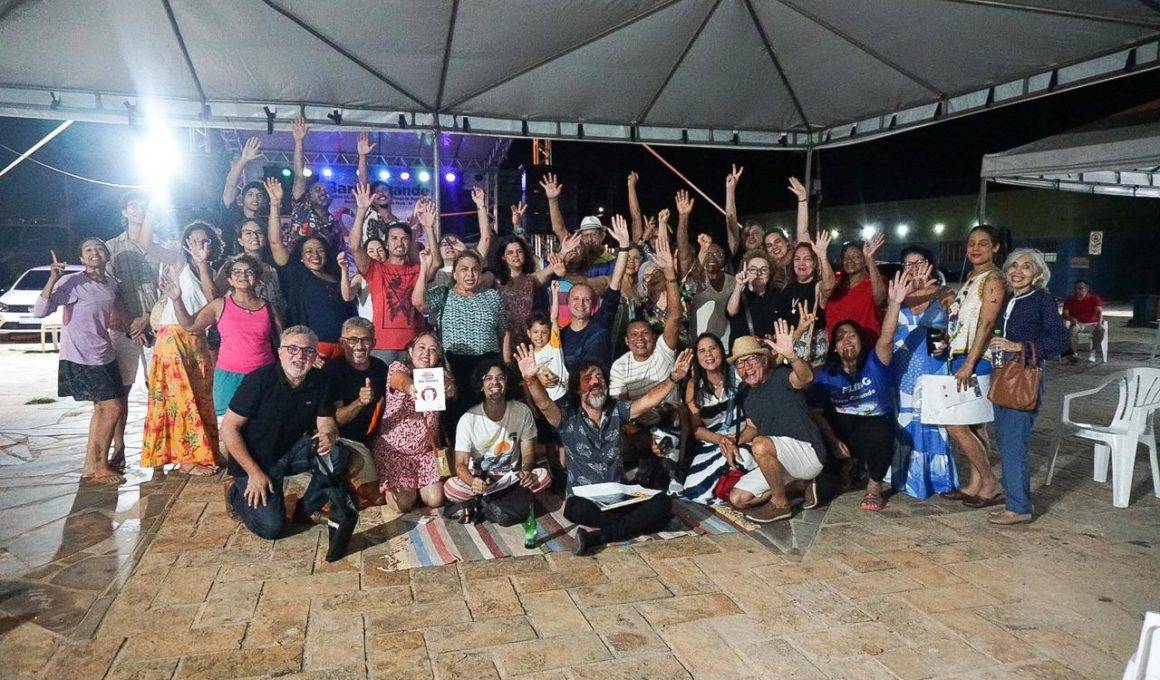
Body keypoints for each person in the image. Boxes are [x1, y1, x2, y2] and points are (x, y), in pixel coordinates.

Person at [516, 344, 692, 555]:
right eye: (587, 378)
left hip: (619, 495)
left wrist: (673, 378)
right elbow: (544, 405)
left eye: (599, 377)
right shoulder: (566, 415)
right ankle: (651, 523)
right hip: (584, 499)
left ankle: (596, 537)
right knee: (575, 510)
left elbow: (648, 401)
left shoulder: (617, 410)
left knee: (662, 501)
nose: (595, 381)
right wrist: (530, 379)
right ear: (577, 387)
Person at [220, 326, 356, 562]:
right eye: (292, 349)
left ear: (314, 355)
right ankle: (234, 493)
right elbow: (229, 428)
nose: (300, 356)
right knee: (272, 528)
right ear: (280, 352)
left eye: (307, 351)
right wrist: (253, 473)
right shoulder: (259, 380)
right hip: (256, 461)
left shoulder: (320, 381)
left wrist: (329, 435)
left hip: (291, 450)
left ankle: (304, 510)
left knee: (337, 454)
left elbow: (326, 422)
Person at [810, 272, 911, 512]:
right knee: (823, 488)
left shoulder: (875, 363)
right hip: (842, 432)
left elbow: (886, 338)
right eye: (840, 337)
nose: (846, 340)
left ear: (860, 341)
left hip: (874, 428)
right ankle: (847, 466)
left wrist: (895, 303)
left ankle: (874, 486)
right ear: (835, 347)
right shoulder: (826, 373)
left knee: (881, 430)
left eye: (852, 335)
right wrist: (833, 440)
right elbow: (816, 413)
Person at [986, 249, 1069, 525]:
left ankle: (1019, 507)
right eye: (1014, 266)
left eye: (1026, 267)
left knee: (1013, 443)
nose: (1018, 271)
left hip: (1024, 378)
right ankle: (1015, 500)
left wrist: (1019, 347)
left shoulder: (1041, 299)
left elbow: (1060, 339)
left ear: (1037, 274)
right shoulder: (1010, 298)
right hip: (1002, 374)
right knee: (1005, 441)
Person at [33, 243, 126, 484]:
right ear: (81, 258)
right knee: (113, 408)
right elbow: (40, 311)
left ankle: (90, 466)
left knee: (101, 410)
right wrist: (53, 279)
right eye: (88, 250)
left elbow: (114, 313)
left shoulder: (111, 284)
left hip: (105, 354)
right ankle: (102, 467)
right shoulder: (72, 282)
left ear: (107, 255)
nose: (95, 253)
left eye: (99, 249)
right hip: (81, 356)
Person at [140, 222, 221, 476]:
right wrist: (150, 208)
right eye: (193, 241)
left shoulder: (213, 271)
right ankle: (187, 459)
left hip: (197, 339)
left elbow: (214, 302)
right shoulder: (178, 261)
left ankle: (204, 452)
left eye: (204, 241)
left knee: (201, 396)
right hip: (173, 337)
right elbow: (145, 243)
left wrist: (203, 264)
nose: (199, 245)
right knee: (179, 397)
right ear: (186, 244)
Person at [728, 326, 826, 523]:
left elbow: (806, 377)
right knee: (738, 499)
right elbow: (752, 428)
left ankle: (780, 504)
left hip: (808, 452)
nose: (747, 367)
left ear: (764, 361)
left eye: (752, 359)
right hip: (780, 460)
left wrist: (791, 356)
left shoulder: (782, 375)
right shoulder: (747, 395)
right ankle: (802, 485)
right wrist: (732, 440)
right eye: (740, 363)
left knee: (760, 445)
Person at [166, 254, 280, 417]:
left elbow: (281, 341)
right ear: (230, 280)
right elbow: (190, 325)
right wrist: (177, 300)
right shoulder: (219, 305)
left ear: (256, 277)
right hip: (229, 377)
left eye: (248, 272)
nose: (243, 276)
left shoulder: (268, 307)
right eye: (237, 272)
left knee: (262, 426)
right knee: (229, 427)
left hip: (263, 375)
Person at [414, 249, 511, 429]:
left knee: (487, 419)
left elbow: (504, 331)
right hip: (455, 366)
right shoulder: (444, 294)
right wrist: (424, 268)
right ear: (455, 274)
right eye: (464, 269)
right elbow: (419, 303)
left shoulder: (491, 296)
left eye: (475, 270)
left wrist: (507, 364)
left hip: (487, 365)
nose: (470, 274)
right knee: (457, 418)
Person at [944, 224, 1005, 507]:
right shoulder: (971, 277)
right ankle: (975, 484)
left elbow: (987, 322)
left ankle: (990, 483)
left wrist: (970, 362)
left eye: (983, 243)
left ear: (995, 247)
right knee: (975, 424)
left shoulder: (994, 279)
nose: (976, 248)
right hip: (960, 355)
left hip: (976, 359)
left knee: (954, 423)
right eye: (971, 243)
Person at [891, 249, 958, 500]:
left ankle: (933, 479)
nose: (912, 267)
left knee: (930, 422)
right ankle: (900, 475)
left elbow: (951, 327)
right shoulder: (898, 293)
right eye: (907, 263)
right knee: (904, 420)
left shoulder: (943, 293)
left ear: (930, 264)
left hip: (932, 366)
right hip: (902, 366)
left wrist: (933, 295)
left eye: (918, 262)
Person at [348, 183, 440, 364]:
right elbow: (354, 247)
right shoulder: (374, 268)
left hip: (414, 346)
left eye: (404, 239)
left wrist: (429, 228)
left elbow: (436, 262)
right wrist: (361, 211)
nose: (399, 242)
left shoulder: (417, 269)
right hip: (382, 346)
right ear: (386, 244)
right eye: (394, 238)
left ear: (410, 243)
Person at [265, 178, 355, 362]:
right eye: (309, 251)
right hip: (310, 353)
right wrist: (275, 204)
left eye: (320, 250)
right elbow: (275, 243)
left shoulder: (337, 276)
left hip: (341, 352)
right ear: (301, 256)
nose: (315, 255)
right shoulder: (296, 274)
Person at [444, 361, 552, 509]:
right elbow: (460, 464)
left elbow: (528, 454)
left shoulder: (522, 411)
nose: (495, 382)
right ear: (481, 385)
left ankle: (487, 501)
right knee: (451, 488)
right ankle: (497, 498)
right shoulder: (468, 419)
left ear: (507, 384)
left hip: (510, 477)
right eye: (488, 378)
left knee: (543, 477)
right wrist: (472, 482)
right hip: (481, 479)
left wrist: (526, 471)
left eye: (500, 378)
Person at [104, 191, 160, 468]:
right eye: (133, 206)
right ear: (124, 211)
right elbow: (108, 291)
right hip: (122, 330)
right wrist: (131, 325)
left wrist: (148, 318)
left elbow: (168, 287)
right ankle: (119, 447)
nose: (139, 210)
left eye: (144, 205)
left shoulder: (160, 246)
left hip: (156, 327)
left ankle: (158, 448)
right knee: (121, 390)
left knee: (158, 389)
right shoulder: (110, 247)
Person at [373, 332, 452, 512]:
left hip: (426, 452)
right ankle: (403, 486)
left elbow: (451, 387)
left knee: (436, 500)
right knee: (403, 504)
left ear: (438, 356)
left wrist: (449, 387)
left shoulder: (440, 376)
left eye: (433, 350)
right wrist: (410, 387)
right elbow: (398, 380)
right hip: (395, 452)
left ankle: (416, 484)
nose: (426, 353)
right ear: (410, 351)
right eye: (421, 347)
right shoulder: (399, 367)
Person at [680, 333, 750, 504]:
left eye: (713, 348)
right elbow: (696, 429)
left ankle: (740, 489)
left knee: (742, 457)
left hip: (743, 437)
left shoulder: (737, 372)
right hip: (713, 443)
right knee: (693, 488)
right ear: (697, 357)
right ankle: (735, 489)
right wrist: (721, 440)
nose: (708, 354)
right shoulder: (694, 386)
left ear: (721, 350)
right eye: (702, 351)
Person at [559, 219, 631, 374]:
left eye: (586, 299)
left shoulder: (602, 322)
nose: (581, 304)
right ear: (568, 302)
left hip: (600, 386)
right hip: (572, 388)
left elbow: (616, 281)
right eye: (576, 299)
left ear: (593, 303)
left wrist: (624, 246)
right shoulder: (560, 335)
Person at [324, 317, 387, 447]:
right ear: (342, 343)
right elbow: (337, 420)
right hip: (338, 440)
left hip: (374, 439)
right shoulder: (332, 370)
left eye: (365, 340)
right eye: (353, 340)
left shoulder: (380, 367)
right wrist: (360, 402)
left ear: (374, 343)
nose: (359, 346)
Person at [286, 117, 344, 251]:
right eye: (318, 190)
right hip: (297, 264)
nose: (323, 192)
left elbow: (337, 253)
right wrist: (299, 141)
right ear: (309, 195)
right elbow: (299, 175)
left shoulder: (334, 224)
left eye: (327, 190)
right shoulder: (301, 209)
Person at [213, 217, 285, 319]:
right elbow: (214, 297)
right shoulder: (231, 266)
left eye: (258, 232)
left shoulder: (273, 268)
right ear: (240, 241)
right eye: (248, 233)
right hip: (242, 323)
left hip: (272, 323)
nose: (254, 236)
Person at [784, 232, 835, 364]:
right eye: (797, 259)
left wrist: (822, 256)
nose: (801, 263)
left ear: (815, 263)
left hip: (814, 354)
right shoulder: (787, 288)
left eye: (807, 259)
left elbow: (829, 287)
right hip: (790, 352)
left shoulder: (817, 287)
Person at [826, 235, 886, 342]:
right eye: (846, 257)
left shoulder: (874, 282)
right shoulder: (835, 284)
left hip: (866, 346)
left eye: (856, 256)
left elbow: (880, 299)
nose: (850, 260)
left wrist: (870, 259)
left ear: (864, 260)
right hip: (838, 348)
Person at [220, 137, 268, 254]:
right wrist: (244, 159)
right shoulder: (232, 213)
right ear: (242, 198)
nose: (255, 198)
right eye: (250, 195)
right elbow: (231, 184)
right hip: (230, 261)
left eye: (259, 195)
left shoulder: (265, 222)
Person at [354, 132, 403, 244]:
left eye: (384, 190)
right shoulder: (367, 212)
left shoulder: (398, 223)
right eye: (377, 192)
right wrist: (362, 156)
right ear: (371, 198)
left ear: (391, 196)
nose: (381, 193)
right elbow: (363, 181)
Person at [727, 250, 784, 338]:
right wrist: (738, 286)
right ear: (746, 272)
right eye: (753, 269)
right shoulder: (739, 294)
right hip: (744, 346)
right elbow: (731, 311)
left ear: (770, 273)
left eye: (764, 270)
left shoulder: (777, 295)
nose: (758, 273)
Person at [1062, 280, 1104, 363]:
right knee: (1072, 330)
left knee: (1101, 329)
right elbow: (1064, 314)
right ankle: (1074, 354)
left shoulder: (1094, 299)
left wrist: (1099, 324)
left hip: (1092, 323)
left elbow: (1099, 312)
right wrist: (1071, 318)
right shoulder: (1070, 300)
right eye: (1076, 288)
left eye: (1081, 288)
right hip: (1078, 323)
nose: (1078, 290)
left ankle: (1093, 351)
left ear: (1087, 289)